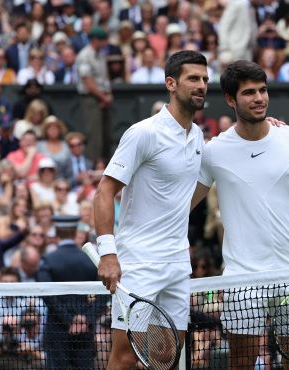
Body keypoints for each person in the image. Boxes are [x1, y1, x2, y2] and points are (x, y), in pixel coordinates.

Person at [190, 60, 289, 369]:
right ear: (231, 99)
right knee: (241, 364)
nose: (259, 98)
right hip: (242, 279)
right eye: (249, 92)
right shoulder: (213, 151)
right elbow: (184, 204)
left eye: (263, 90)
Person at [94, 50, 209, 369]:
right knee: (125, 356)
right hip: (139, 263)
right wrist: (108, 253)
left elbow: (183, 197)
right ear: (171, 83)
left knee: (166, 357)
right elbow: (104, 191)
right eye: (193, 78)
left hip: (177, 264)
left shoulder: (198, 136)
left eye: (204, 79)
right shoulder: (143, 133)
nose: (201, 85)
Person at [36, 215, 100, 369]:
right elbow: (104, 293)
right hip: (85, 332)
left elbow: (47, 295)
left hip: (58, 331)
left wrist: (68, 319)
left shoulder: (48, 260)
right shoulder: (91, 260)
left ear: (57, 231)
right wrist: (86, 319)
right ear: (75, 231)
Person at [76, 27, 113, 160]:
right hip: (91, 99)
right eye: (103, 40)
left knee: (105, 136)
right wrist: (104, 98)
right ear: (95, 40)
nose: (105, 43)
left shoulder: (101, 56)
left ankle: (104, 164)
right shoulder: (84, 56)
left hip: (102, 98)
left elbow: (105, 77)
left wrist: (108, 95)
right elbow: (88, 83)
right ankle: (93, 165)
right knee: (94, 135)